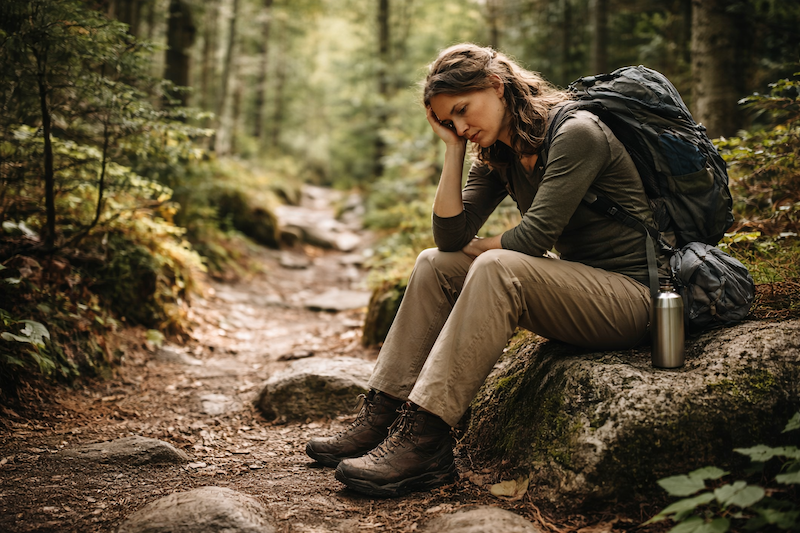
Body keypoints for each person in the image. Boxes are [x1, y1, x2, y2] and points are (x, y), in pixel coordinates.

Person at [306, 43, 665, 497]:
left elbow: (533, 239)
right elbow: (449, 240)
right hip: (577, 287)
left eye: (462, 111)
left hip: (634, 298)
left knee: (497, 266)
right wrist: (454, 150)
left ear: (496, 85)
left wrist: (486, 247)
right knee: (435, 264)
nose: (461, 126)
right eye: (449, 121)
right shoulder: (500, 150)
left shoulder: (577, 132)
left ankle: (425, 443)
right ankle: (382, 417)